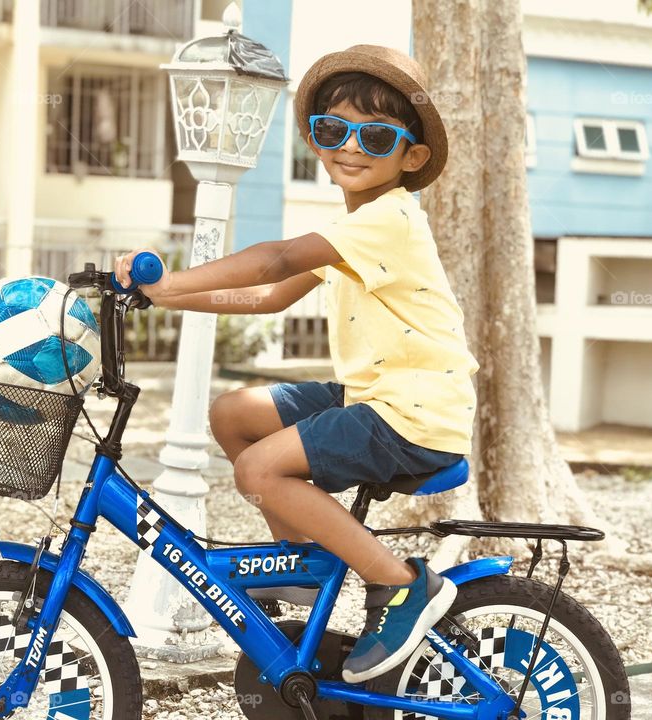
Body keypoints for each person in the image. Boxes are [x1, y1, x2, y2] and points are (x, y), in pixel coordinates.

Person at [115, 45, 479, 683]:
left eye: (376, 136)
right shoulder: (352, 227)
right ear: (316, 136)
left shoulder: (388, 220)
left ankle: (399, 584)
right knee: (234, 415)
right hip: (374, 397)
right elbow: (265, 296)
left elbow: (277, 260)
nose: (351, 147)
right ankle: (304, 566)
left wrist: (173, 282)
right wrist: (158, 298)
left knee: (259, 468)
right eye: (333, 130)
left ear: (411, 157)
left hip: (414, 412)